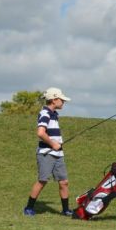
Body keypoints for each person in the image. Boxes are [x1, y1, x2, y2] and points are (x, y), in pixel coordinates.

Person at [24, 87, 72, 216]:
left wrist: (56, 146)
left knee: (64, 182)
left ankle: (66, 210)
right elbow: (40, 132)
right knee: (42, 180)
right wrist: (52, 143)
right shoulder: (45, 113)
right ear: (54, 100)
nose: (63, 102)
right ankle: (29, 208)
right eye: (62, 100)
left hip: (58, 153)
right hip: (46, 153)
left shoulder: (54, 114)